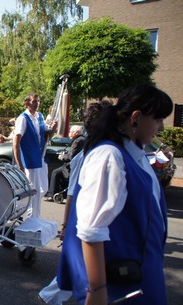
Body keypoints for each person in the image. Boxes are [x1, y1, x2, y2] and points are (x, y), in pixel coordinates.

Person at [57, 84, 173, 305]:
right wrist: (97, 290)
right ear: (136, 118)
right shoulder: (108, 156)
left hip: (138, 279)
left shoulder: (132, 153)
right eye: (158, 119)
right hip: (118, 288)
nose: (161, 127)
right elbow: (91, 230)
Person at [38, 101, 110, 305]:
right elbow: (71, 194)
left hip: (88, 223)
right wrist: (66, 225)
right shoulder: (87, 155)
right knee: (78, 267)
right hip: (83, 223)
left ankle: (51, 296)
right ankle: (51, 296)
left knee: (76, 267)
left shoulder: (101, 151)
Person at [13, 93, 57, 218]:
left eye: (38, 101)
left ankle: (34, 216)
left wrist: (53, 129)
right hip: (29, 160)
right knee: (32, 191)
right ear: (27, 103)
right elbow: (16, 143)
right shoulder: (23, 118)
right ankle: (31, 218)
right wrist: (20, 165)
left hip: (40, 159)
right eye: (34, 101)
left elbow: (46, 138)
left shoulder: (40, 116)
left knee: (42, 189)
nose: (37, 103)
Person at [45, 125, 85, 201]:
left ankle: (52, 194)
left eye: (70, 132)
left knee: (55, 173)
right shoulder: (82, 139)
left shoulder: (77, 141)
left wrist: (62, 156)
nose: (69, 134)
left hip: (72, 166)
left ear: (76, 133)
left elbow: (71, 156)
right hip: (77, 166)